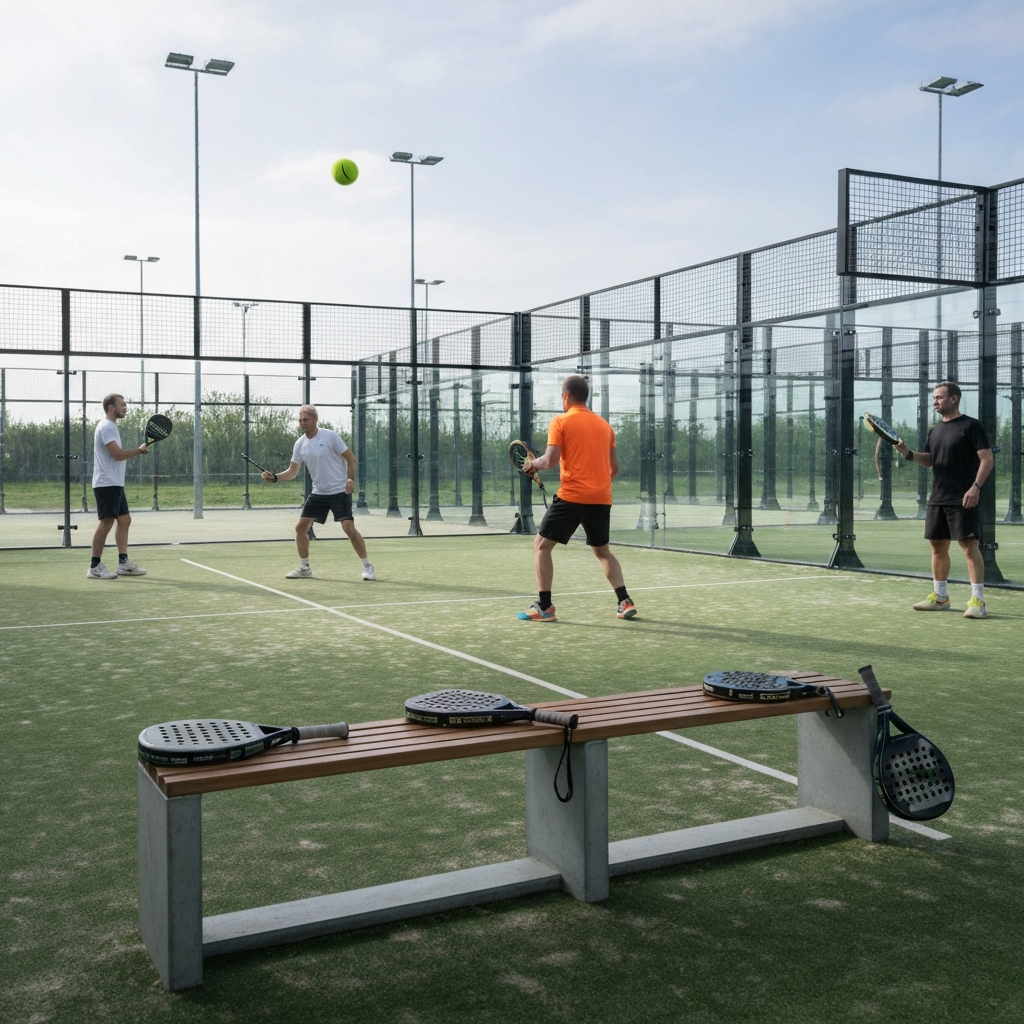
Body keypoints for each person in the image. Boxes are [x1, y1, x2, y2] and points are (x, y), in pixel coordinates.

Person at [518, 374, 636, 621]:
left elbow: (548, 461)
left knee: (541, 546)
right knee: (603, 552)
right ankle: (624, 601)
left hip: (572, 496)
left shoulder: (561, 421)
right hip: (601, 498)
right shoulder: (605, 426)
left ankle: (545, 607)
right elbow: (614, 469)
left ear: (565, 396)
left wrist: (532, 464)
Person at [894, 381, 993, 618]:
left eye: (939, 397)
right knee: (937, 548)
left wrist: (975, 487)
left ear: (954, 399)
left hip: (964, 498)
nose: (935, 402)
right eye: (934, 398)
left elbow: (987, 459)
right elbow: (930, 460)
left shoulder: (971, 426)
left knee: (969, 547)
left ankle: (978, 602)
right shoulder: (935, 430)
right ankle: (940, 597)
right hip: (938, 497)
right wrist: (908, 453)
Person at [263, 404, 375, 581]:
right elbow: (293, 471)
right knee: (301, 528)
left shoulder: (330, 436)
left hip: (339, 490)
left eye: (306, 419)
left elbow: (351, 459)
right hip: (319, 493)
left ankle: (367, 567)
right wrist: (275, 477)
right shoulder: (300, 444)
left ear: (315, 420)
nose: (302, 422)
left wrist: (350, 479)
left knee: (348, 527)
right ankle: (304, 567)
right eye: (300, 420)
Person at [87, 393, 148, 579]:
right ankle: (94, 567)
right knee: (106, 522)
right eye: (122, 404)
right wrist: (138, 450)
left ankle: (123, 563)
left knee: (124, 520)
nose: (125, 407)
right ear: (111, 407)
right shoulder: (107, 426)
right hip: (106, 484)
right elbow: (117, 454)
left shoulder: (110, 426)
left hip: (114, 483)